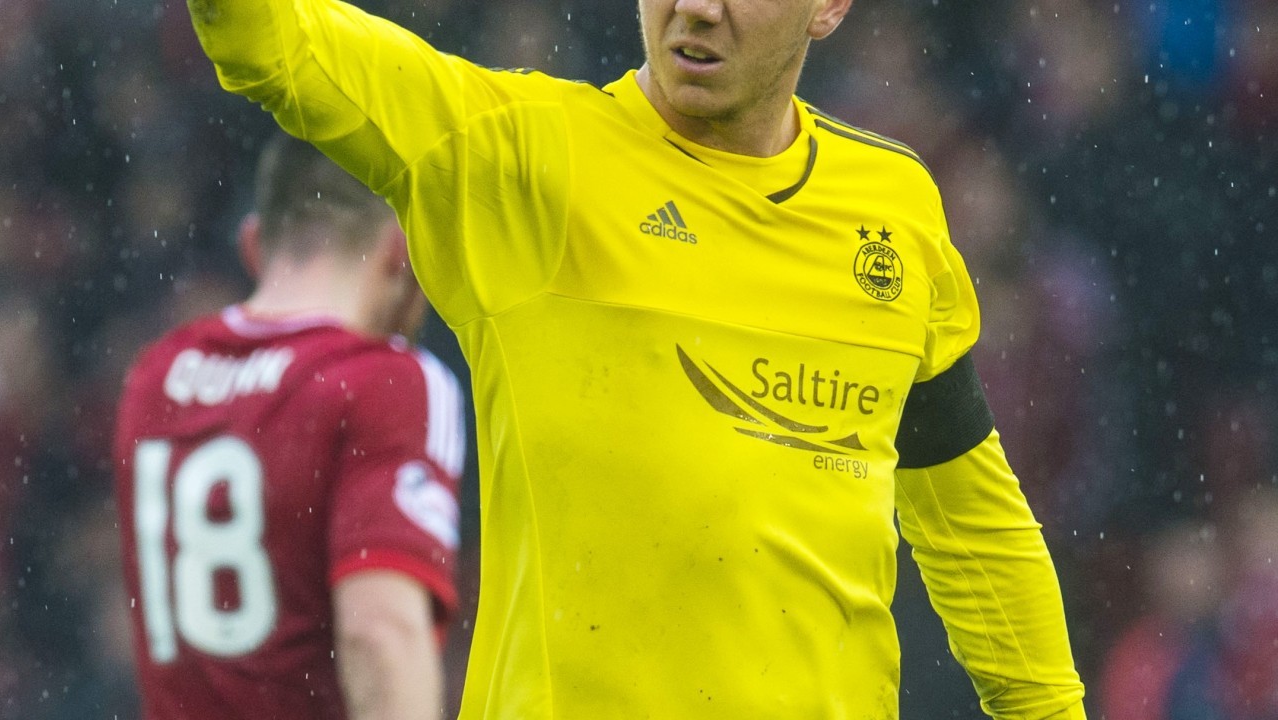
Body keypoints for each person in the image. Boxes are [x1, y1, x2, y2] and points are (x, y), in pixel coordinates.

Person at [186, 0, 1086, 716]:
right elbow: (273, 40)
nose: (696, 8)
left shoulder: (894, 211)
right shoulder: (523, 158)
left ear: (831, 7)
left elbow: (975, 531)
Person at [112, 133, 467, 720]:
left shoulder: (156, 378)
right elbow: (380, 633)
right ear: (402, 253)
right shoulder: (384, 382)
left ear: (253, 246)